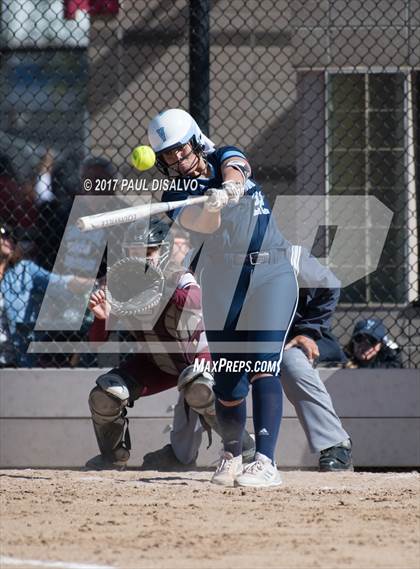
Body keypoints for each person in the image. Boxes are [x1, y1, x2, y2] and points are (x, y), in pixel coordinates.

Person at [147, 108, 298, 488]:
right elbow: (204, 224)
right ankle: (232, 453)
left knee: (263, 364)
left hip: (269, 272)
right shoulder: (176, 193)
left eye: (182, 151)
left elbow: (236, 168)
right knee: (229, 378)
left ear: (195, 141)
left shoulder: (223, 155)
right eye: (169, 156)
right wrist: (211, 204)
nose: (179, 160)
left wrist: (229, 187)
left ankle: (266, 461)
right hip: (221, 279)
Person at [143, 245, 353, 472]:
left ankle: (334, 444)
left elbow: (329, 285)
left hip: (281, 337)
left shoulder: (284, 251)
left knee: (292, 365)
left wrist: (308, 330)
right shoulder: (206, 252)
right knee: (199, 371)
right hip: (227, 336)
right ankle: (180, 453)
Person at [84, 217, 255, 471]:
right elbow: (97, 343)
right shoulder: (121, 281)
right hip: (157, 362)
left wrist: (159, 288)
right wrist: (102, 318)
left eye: (149, 251)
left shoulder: (181, 277)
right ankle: (113, 456)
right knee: (105, 394)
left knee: (199, 386)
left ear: (163, 252)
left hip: (199, 358)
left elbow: (194, 302)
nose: (141, 257)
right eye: (134, 251)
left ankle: (245, 448)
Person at [0, 223, 89, 366]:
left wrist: (95, 283)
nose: (10, 240)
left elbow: (59, 282)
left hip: (15, 354)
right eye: (4, 235)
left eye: (14, 238)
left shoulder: (25, 270)